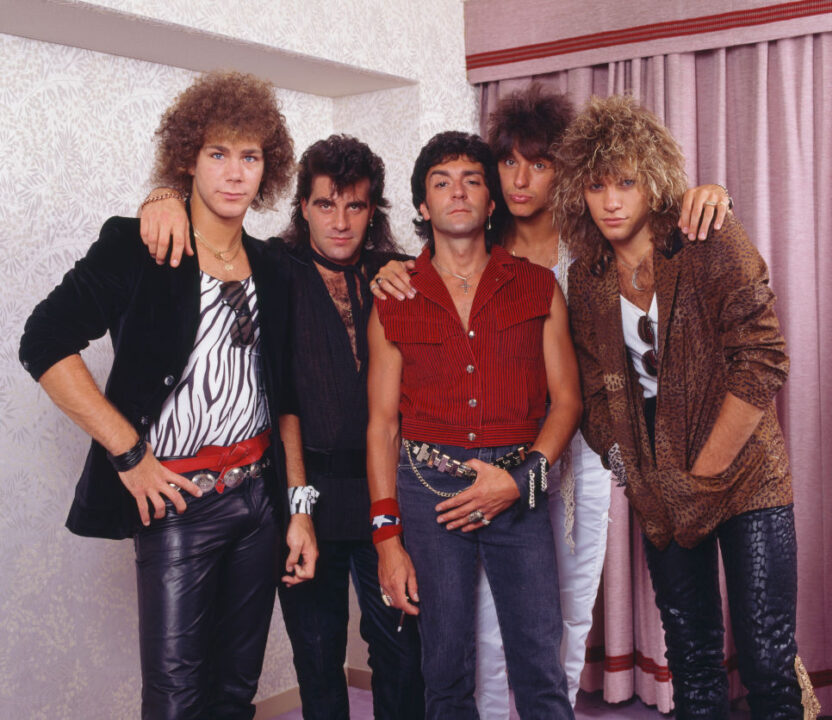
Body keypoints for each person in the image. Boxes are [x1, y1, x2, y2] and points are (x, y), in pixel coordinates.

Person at [370, 83, 732, 715]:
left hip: (575, 450)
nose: (519, 177)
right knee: (467, 633)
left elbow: (659, 221)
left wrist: (711, 194)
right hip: (461, 461)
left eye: (539, 163)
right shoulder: (449, 260)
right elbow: (385, 413)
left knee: (560, 612)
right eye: (507, 161)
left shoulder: (593, 235)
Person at [19, 71, 318, 720]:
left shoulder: (276, 269)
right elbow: (42, 342)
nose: (235, 173)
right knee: (178, 702)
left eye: (250, 156)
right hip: (178, 503)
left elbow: (288, 399)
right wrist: (129, 455)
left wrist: (300, 509)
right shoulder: (139, 244)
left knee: (236, 695)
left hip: (260, 503)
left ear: (268, 167)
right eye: (218, 153)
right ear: (188, 157)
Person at [138, 135, 425, 720]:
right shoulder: (270, 268)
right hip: (302, 493)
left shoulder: (396, 274)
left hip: (385, 491)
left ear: (375, 212)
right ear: (301, 207)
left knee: (401, 651)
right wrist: (163, 192)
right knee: (317, 659)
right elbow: (206, 233)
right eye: (325, 205)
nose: (340, 222)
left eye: (356, 206)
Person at [555, 94, 816, 719]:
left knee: (767, 662)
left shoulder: (705, 237)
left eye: (626, 181)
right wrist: (632, 472)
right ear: (579, 193)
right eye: (596, 185)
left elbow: (762, 360)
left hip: (744, 470)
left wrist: (702, 476)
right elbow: (593, 396)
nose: (612, 200)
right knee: (693, 666)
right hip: (654, 482)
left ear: (654, 181)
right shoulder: (585, 278)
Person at [366, 130, 580, 719]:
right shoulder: (393, 296)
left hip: (519, 486)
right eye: (440, 182)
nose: (456, 192)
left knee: (539, 659)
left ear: (491, 203)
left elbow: (567, 402)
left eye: (471, 180)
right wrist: (386, 537)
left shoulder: (537, 286)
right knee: (444, 665)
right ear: (421, 206)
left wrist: (522, 481)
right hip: (427, 490)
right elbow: (382, 424)